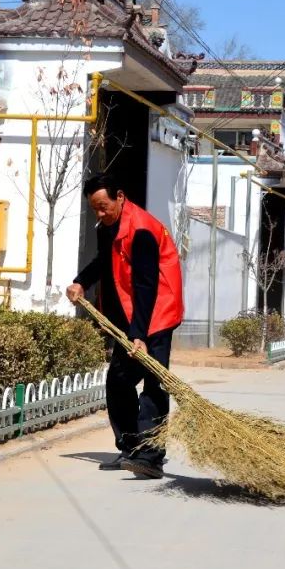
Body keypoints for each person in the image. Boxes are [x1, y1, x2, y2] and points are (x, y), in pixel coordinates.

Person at [66, 174, 184, 479]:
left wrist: (139, 335)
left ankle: (151, 457)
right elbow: (104, 261)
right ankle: (131, 448)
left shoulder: (142, 229)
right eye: (95, 209)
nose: (100, 214)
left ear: (120, 196)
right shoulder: (108, 227)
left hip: (155, 315)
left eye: (104, 206)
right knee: (118, 381)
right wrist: (81, 282)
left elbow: (146, 286)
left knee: (153, 384)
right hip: (130, 320)